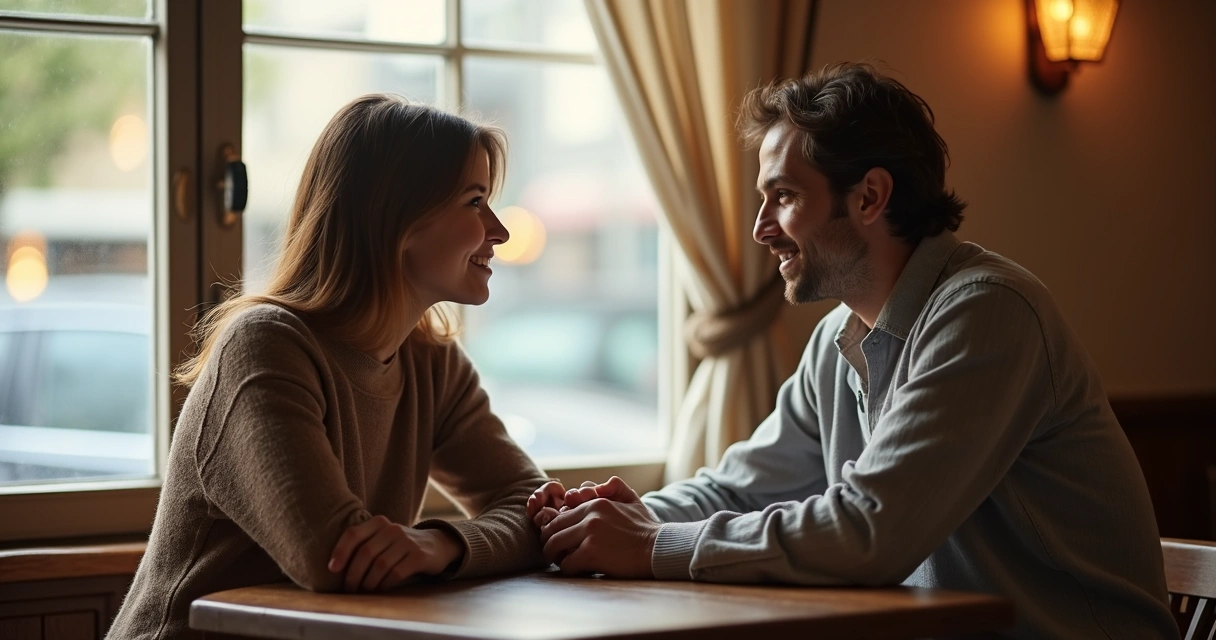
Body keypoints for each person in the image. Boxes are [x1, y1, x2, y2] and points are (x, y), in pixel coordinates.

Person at [529, 63, 1178, 639]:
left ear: (869, 196)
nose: (760, 228)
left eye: (782, 196)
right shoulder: (837, 340)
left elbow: (871, 532)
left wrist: (649, 544)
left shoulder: (987, 312)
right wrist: (613, 518)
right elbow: (738, 488)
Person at [109, 94, 549, 639]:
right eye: (474, 202)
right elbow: (335, 559)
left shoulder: (432, 362)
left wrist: (443, 544)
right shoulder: (265, 346)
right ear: (398, 217)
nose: (499, 231)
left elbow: (538, 512)